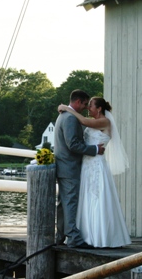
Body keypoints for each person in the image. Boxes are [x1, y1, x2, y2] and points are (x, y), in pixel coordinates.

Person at [58, 97, 131, 248]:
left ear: (98, 109)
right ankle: (85, 235)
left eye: (90, 106)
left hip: (97, 166)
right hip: (86, 166)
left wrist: (67, 108)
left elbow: (84, 121)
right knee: (85, 200)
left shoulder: (105, 122)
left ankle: (102, 237)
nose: (88, 109)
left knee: (98, 198)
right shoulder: (93, 121)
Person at [54, 90, 105, 248]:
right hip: (70, 167)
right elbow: (73, 144)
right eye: (84, 104)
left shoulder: (63, 115)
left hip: (63, 167)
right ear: (77, 102)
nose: (85, 107)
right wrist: (94, 149)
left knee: (63, 203)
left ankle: (60, 236)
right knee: (70, 202)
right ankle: (74, 238)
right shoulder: (70, 118)